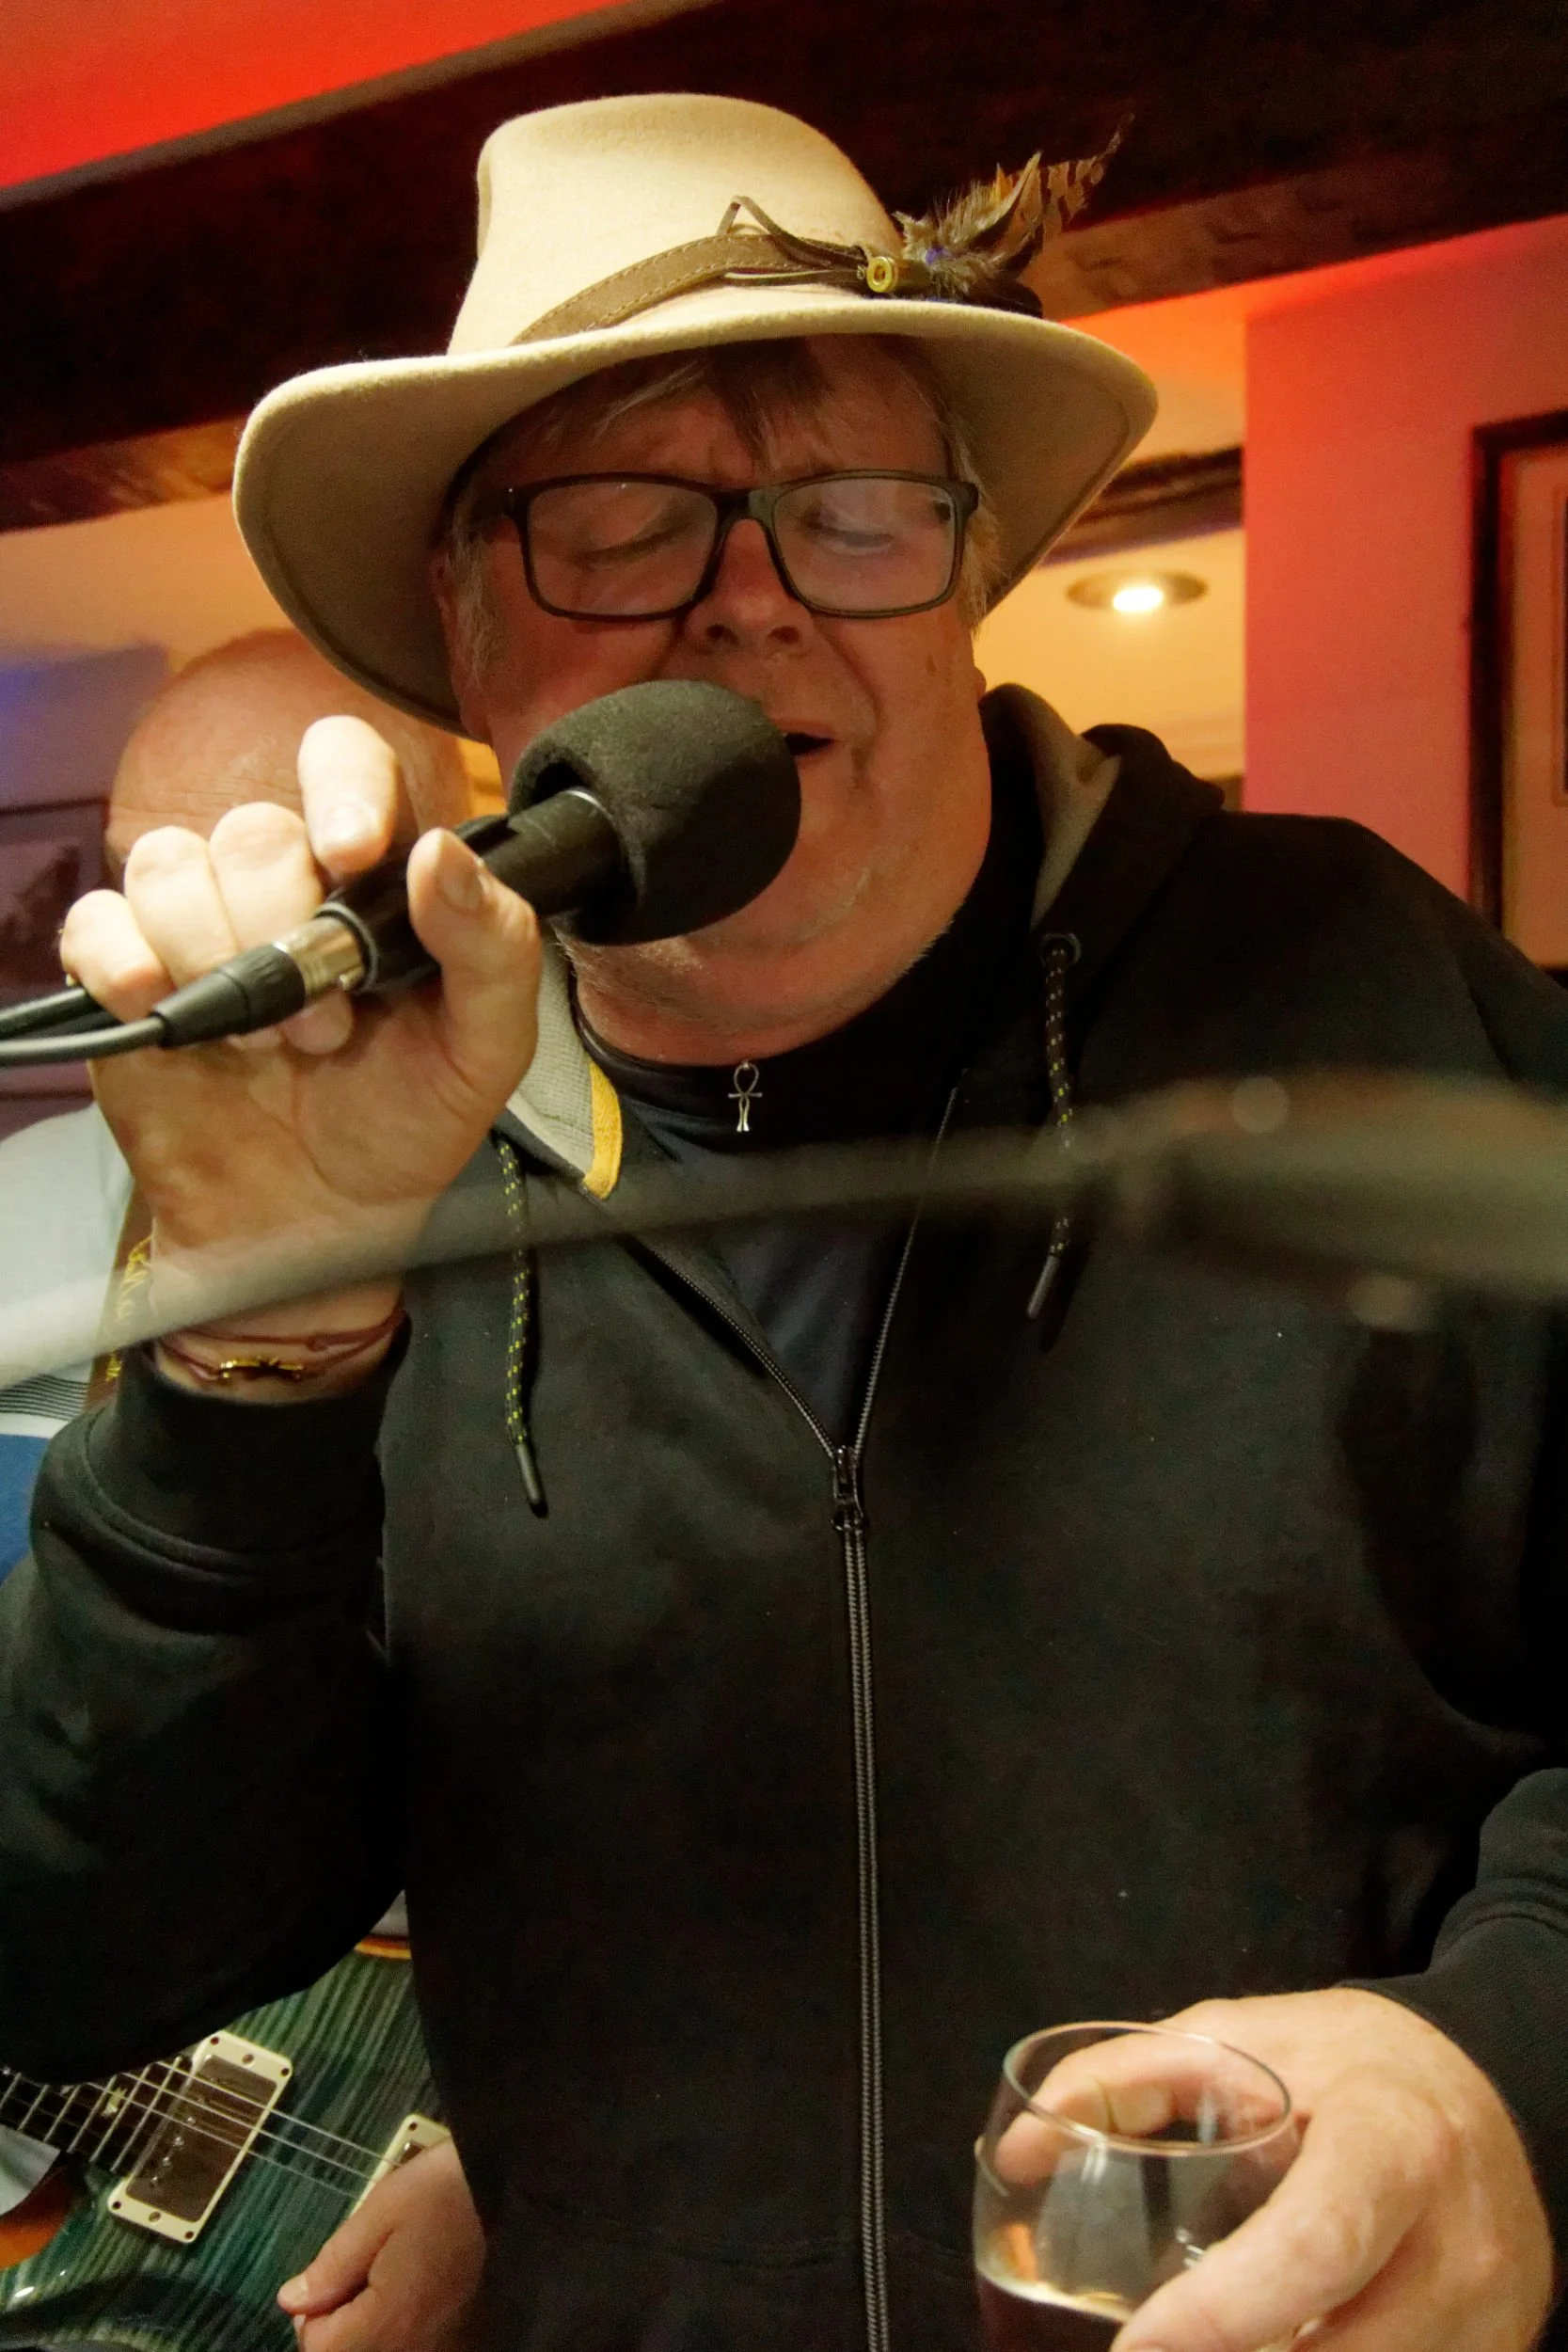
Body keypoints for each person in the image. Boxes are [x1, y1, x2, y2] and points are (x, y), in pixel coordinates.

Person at [0, 90, 1563, 2352]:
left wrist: (1509, 2080)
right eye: (621, 521)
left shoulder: (1362, 995)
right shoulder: (369, 1153)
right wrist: (263, 1346)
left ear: (956, 570)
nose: (749, 591)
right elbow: (81, 1944)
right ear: (462, 631)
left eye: (845, 509)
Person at [0, 630, 484, 2352]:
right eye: (154, 878)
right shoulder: (28, 1205)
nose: (219, 946)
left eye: (301, 867)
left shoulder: (605, 1204)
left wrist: (521, 2148)